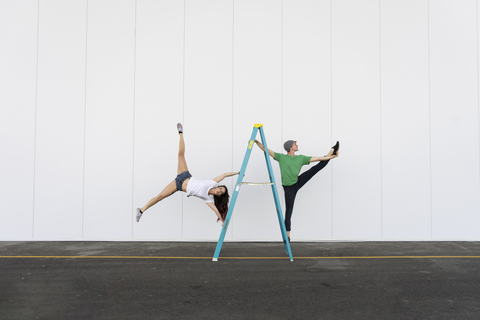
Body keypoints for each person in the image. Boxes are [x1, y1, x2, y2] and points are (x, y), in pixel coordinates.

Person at [136, 123, 239, 225]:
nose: (219, 191)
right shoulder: (211, 183)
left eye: (221, 193)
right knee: (180, 154)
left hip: (178, 185)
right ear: (218, 187)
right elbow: (225, 174)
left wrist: (222, 220)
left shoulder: (206, 198)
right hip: (184, 175)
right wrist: (238, 173)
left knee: (160, 197)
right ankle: (180, 133)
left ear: (219, 196)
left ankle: (141, 210)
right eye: (220, 189)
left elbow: (216, 210)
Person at [254, 139, 339, 240]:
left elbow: (318, 158)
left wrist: (331, 156)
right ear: (290, 147)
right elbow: (265, 149)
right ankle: (288, 234)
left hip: (297, 182)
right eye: (295, 144)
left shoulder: (301, 158)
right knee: (289, 211)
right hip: (289, 188)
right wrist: (255, 141)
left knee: (315, 168)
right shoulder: (281, 157)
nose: (297, 145)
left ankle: (331, 150)